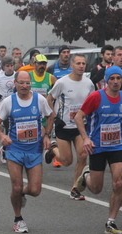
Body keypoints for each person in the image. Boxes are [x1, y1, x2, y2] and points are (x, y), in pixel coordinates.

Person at [0, 71, 54, 233]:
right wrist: (1, 135)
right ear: (15, 83)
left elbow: (50, 115)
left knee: (35, 190)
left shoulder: (39, 100)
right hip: (14, 150)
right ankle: (18, 219)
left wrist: (46, 135)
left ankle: (20, 194)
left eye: (27, 83)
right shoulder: (8, 102)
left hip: (34, 150)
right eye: (21, 83)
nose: (25, 86)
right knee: (17, 185)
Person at [75, 66, 122, 234]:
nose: (116, 82)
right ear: (106, 81)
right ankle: (86, 175)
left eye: (118, 78)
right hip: (98, 147)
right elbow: (78, 117)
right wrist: (86, 138)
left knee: (118, 183)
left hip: (117, 147)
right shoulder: (96, 97)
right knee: (96, 189)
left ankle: (111, 222)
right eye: (112, 79)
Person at [45, 53, 95, 200]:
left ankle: (75, 189)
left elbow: (92, 103)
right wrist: (55, 117)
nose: (81, 66)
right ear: (72, 65)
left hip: (80, 127)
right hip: (63, 126)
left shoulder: (89, 83)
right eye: (78, 63)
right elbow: (49, 99)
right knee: (66, 161)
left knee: (83, 155)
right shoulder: (62, 82)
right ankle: (53, 149)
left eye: (83, 64)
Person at [28, 54, 61, 168]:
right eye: (40, 63)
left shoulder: (50, 78)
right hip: (31, 113)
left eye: (44, 64)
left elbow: (58, 95)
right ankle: (47, 153)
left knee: (44, 137)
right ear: (34, 64)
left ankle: (51, 156)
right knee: (35, 140)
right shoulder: (28, 76)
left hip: (46, 114)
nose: (42, 66)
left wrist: (55, 110)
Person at [0, 56, 15, 164]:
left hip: (15, 105)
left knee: (13, 129)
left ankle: (7, 149)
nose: (10, 68)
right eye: (7, 66)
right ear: (3, 67)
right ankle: (5, 151)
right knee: (8, 128)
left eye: (11, 65)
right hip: (4, 107)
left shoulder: (17, 76)